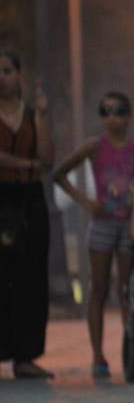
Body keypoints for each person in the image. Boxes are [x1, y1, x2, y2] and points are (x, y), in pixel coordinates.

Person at [52, 91, 134, 378]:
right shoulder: (95, 146)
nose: (112, 117)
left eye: (118, 111)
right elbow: (60, 174)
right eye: (106, 111)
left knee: (128, 291)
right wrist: (86, 201)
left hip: (129, 224)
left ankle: (131, 352)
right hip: (102, 223)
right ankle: (98, 356)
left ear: (129, 116)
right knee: (98, 290)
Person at [0, 49, 55, 380]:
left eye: (6, 70)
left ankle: (26, 356)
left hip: (31, 200)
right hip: (1, 197)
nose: (1, 77)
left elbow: (47, 158)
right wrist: (25, 164)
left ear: (18, 73)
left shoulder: (34, 114)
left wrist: (43, 118)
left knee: (31, 276)